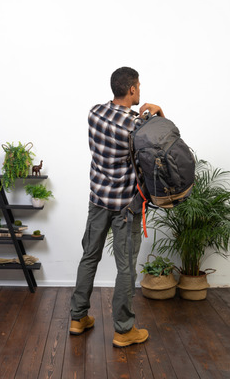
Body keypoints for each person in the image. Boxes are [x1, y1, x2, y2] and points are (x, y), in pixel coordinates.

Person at [70, 67, 165, 347]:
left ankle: (78, 318)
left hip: (98, 199)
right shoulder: (136, 127)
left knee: (90, 256)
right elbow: (164, 145)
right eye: (139, 86)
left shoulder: (94, 113)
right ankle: (124, 331)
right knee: (125, 268)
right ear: (133, 89)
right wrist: (159, 113)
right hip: (125, 206)